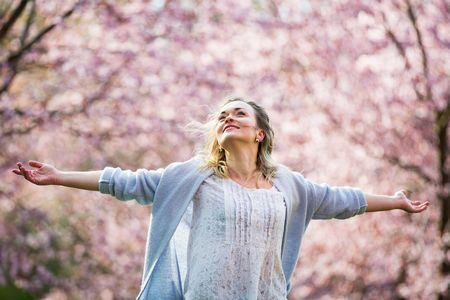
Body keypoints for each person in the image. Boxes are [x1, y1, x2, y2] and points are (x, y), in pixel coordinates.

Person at [13, 97, 430, 299]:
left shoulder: (290, 186)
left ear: (259, 133)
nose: (229, 118)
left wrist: (394, 202)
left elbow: (342, 201)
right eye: (223, 116)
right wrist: (58, 177)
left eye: (239, 114)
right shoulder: (193, 178)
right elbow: (127, 181)